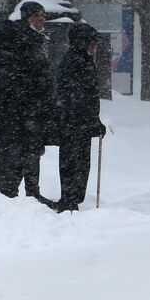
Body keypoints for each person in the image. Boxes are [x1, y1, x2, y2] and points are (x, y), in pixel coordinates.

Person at [0, 1, 55, 200]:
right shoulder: (21, 59)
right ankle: (13, 197)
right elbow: (37, 88)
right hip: (15, 122)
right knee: (14, 162)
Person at [54, 23, 106, 212]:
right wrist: (89, 120)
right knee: (73, 162)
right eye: (91, 42)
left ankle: (73, 198)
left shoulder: (84, 61)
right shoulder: (74, 63)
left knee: (81, 163)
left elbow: (88, 97)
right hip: (73, 124)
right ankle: (69, 200)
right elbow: (75, 98)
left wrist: (94, 121)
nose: (94, 46)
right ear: (81, 42)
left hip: (80, 124)